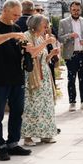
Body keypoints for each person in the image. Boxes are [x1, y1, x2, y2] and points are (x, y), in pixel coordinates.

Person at [0, 0, 33, 161]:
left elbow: (23, 50)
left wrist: (28, 49)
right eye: (15, 14)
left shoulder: (17, 27)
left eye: (19, 14)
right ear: (5, 10)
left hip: (16, 76)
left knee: (17, 111)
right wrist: (11, 35)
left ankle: (13, 143)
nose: (18, 18)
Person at [21, 14, 59, 146]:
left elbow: (43, 59)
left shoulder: (40, 37)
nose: (47, 27)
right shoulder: (26, 36)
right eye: (44, 25)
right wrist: (46, 43)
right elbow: (32, 53)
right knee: (32, 106)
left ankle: (45, 134)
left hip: (44, 75)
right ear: (36, 24)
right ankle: (28, 136)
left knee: (45, 106)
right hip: (32, 76)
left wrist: (51, 54)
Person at [59, 1, 83, 112]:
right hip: (71, 54)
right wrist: (70, 36)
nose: (76, 12)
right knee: (71, 79)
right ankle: (72, 102)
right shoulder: (63, 22)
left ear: (80, 10)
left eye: (78, 10)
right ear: (70, 10)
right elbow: (60, 38)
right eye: (74, 10)